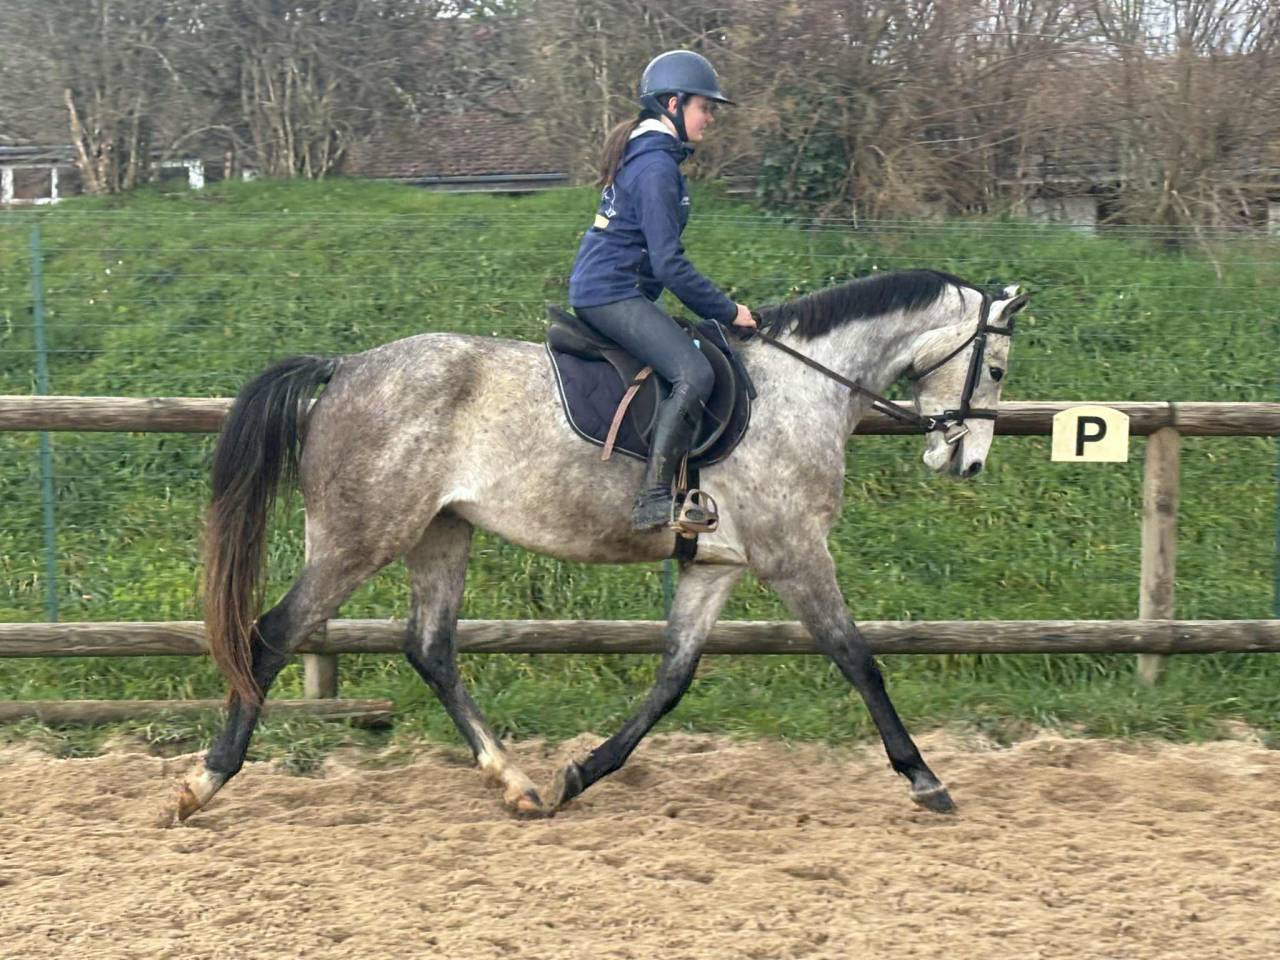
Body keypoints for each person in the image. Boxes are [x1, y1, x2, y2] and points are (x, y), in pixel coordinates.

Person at [568, 49, 756, 531]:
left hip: (614, 289)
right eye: (703, 106)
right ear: (673, 103)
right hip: (611, 294)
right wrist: (727, 310)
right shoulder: (656, 168)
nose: (709, 118)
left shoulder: (652, 157)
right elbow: (669, 263)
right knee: (694, 371)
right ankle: (654, 497)